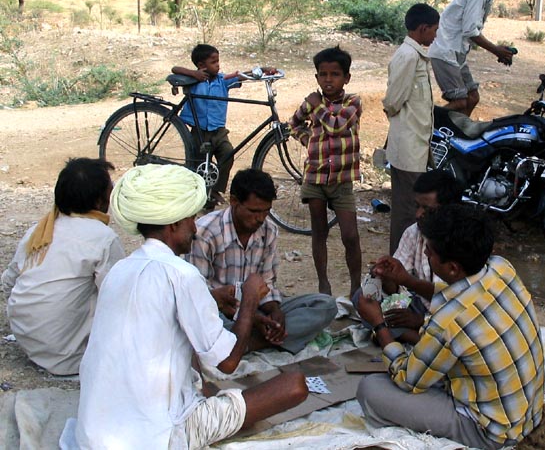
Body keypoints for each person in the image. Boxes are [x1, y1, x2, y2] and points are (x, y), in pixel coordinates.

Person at [73, 164, 307, 449]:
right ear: (173, 225)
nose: (195, 229)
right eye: (190, 221)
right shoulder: (181, 274)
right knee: (295, 384)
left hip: (92, 433)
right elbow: (229, 363)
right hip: (158, 436)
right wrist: (249, 300)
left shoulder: (120, 270)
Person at [356, 204, 544, 449]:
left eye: (430, 252)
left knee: (371, 390)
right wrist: (406, 280)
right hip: (528, 411)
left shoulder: (447, 321)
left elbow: (406, 379)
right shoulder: (500, 267)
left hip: (492, 432)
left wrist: (378, 323)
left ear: (453, 267)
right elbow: (457, 293)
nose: (425, 255)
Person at [187, 168, 337, 354]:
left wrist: (275, 312)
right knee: (203, 324)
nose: (260, 218)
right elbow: (199, 296)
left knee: (326, 305)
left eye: (266, 211)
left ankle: (250, 343)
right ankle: (259, 341)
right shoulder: (205, 233)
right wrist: (250, 316)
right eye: (254, 211)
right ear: (234, 201)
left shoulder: (269, 231)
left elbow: (267, 283)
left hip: (256, 311)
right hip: (221, 312)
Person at [2, 157, 124, 375]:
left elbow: (9, 282)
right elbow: (118, 299)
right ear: (99, 201)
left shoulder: (40, 230)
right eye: (110, 190)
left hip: (29, 340)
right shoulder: (103, 237)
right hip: (69, 355)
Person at [354, 170, 462, 344]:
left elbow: (459, 299)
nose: (418, 214)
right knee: (363, 298)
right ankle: (418, 336)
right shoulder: (414, 232)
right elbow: (398, 287)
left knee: (379, 320)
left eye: (427, 209)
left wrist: (419, 321)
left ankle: (409, 336)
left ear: (448, 210)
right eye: (417, 206)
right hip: (421, 305)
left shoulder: (463, 241)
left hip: (453, 316)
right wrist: (386, 275)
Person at [289, 46, 363, 297]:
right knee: (319, 232)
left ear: (347, 78)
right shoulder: (310, 104)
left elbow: (336, 126)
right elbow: (294, 123)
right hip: (315, 177)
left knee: (350, 236)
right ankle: (324, 283)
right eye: (323, 74)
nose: (328, 80)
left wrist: (317, 105)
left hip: (342, 180)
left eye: (335, 74)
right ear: (317, 77)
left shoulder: (353, 102)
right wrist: (304, 137)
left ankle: (356, 285)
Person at [383, 3, 441, 254]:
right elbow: (393, 100)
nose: (436, 35)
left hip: (416, 145)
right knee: (407, 213)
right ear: (423, 28)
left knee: (411, 209)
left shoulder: (416, 55)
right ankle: (399, 267)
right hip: (408, 147)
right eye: (434, 30)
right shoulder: (407, 56)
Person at [428, 0, 515, 117]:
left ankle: (458, 135)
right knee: (460, 102)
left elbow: (470, 30)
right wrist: (497, 51)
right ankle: (423, 121)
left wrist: (499, 51)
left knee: (473, 98)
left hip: (456, 53)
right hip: (445, 51)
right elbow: (470, 31)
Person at [172, 43, 246, 206]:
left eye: (218, 61)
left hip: (219, 130)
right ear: (201, 66)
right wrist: (195, 74)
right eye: (214, 62)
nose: (218, 65)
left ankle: (216, 190)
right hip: (199, 131)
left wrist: (260, 71)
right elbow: (175, 69)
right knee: (198, 162)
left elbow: (240, 76)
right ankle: (201, 194)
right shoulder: (194, 81)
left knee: (227, 153)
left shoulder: (223, 80)